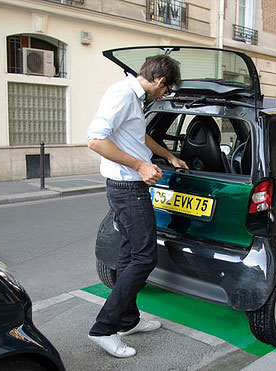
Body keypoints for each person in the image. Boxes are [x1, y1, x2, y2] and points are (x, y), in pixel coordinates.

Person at [86, 54, 187, 358]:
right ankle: (104, 329)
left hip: (129, 187)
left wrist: (167, 156)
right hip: (128, 188)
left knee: (131, 254)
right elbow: (95, 140)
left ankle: (128, 321)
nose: (164, 95)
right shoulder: (121, 94)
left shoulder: (133, 98)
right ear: (159, 80)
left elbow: (136, 135)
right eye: (166, 89)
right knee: (144, 258)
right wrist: (142, 166)